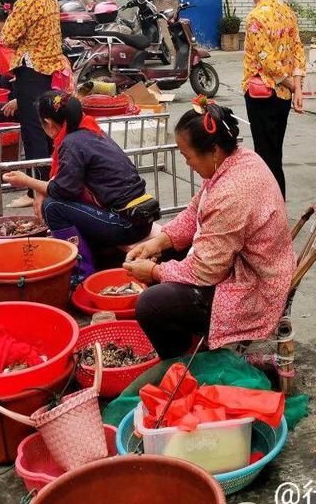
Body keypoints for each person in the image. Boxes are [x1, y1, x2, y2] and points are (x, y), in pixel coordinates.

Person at [124, 98, 296, 358]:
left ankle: (183, 362)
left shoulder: (233, 191)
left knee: (151, 304)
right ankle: (189, 341)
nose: (186, 163)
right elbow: (195, 211)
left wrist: (154, 272)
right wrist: (157, 242)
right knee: (167, 254)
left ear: (213, 151)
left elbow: (205, 271)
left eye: (186, 155)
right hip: (239, 263)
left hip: (254, 289)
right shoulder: (235, 160)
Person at [3, 92, 158, 278]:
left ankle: (82, 273)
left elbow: (63, 190)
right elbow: (62, 180)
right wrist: (39, 190)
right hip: (138, 218)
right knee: (57, 202)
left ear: (49, 124)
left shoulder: (72, 143)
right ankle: (97, 255)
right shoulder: (90, 131)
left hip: (126, 223)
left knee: (53, 207)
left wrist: (26, 181)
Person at [0, 0, 65, 208]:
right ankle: (49, 181)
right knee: (47, 126)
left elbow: (8, 37)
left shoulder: (26, 1)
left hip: (32, 69)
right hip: (49, 69)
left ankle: (36, 190)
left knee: (34, 129)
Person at [241, 0, 305, 198]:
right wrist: (297, 87)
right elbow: (298, 50)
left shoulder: (256, 17)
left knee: (266, 158)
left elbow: (267, 61)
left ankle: (271, 212)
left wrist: (290, 84)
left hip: (262, 95)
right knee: (273, 153)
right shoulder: (286, 11)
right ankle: (275, 207)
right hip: (282, 99)